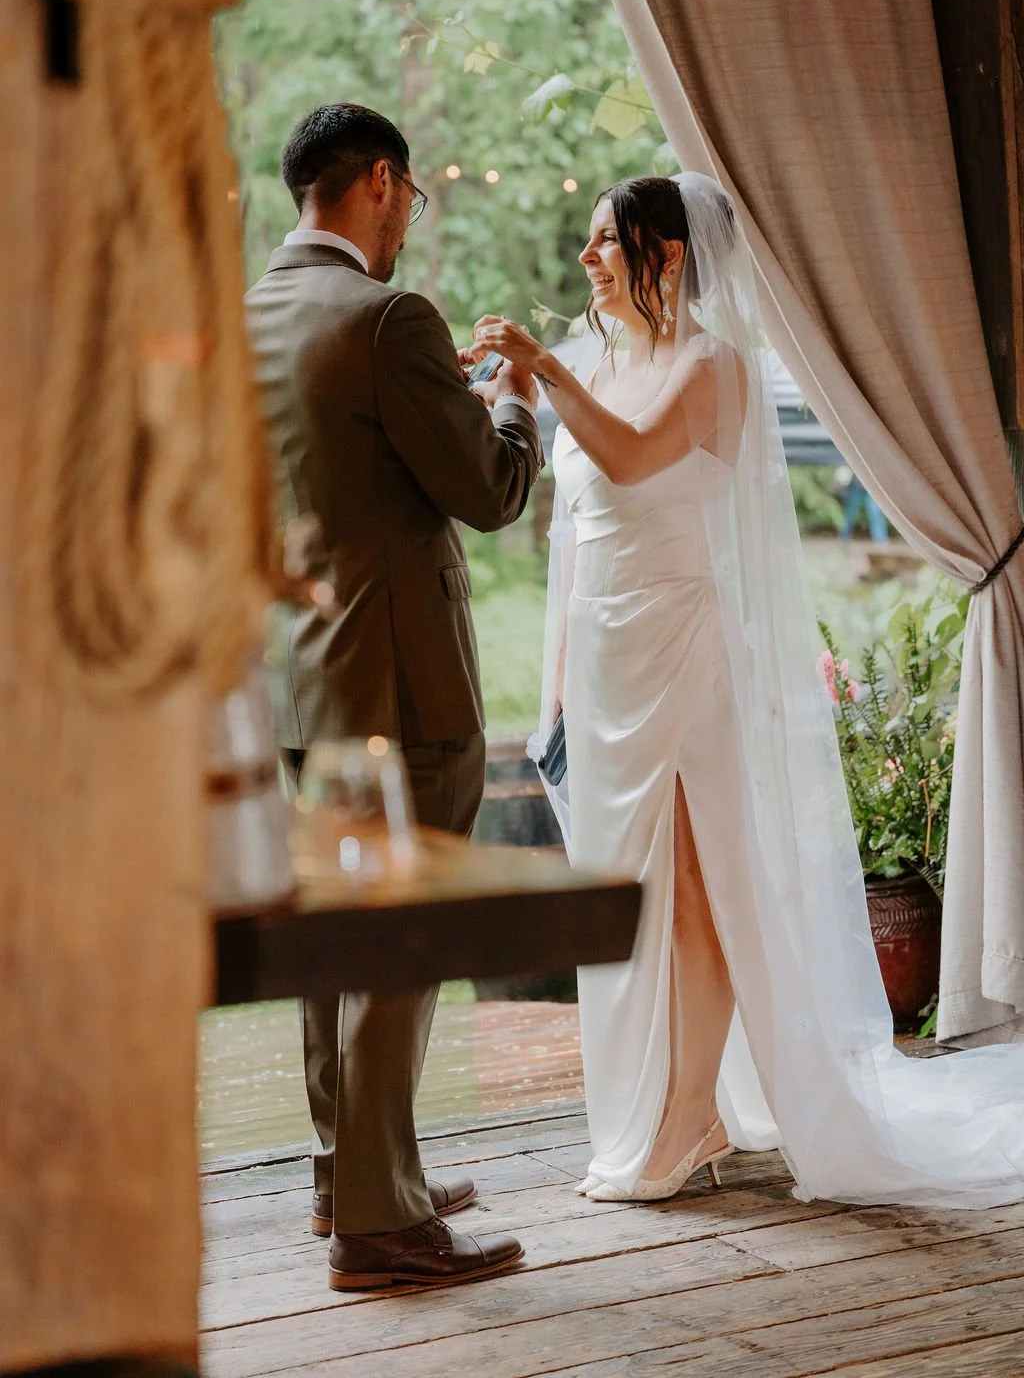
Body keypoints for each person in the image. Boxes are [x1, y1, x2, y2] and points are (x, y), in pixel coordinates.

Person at [465, 172, 1024, 1211]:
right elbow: (574, 533)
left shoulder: (713, 367)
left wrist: (545, 367)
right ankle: (674, 1105)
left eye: (605, 240)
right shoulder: (603, 360)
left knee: (694, 890)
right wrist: (555, 690)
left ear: (668, 254)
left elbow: (631, 459)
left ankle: (690, 1117)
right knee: (627, 894)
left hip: (679, 651)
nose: (586, 259)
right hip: (605, 666)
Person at [246, 103, 543, 1290]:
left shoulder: (249, 313)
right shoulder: (388, 316)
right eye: (410, 196)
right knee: (401, 939)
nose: (408, 218)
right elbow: (489, 490)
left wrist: (439, 393)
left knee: (334, 938)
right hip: (399, 689)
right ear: (379, 181)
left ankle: (352, 1173)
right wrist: (514, 397)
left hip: (297, 683)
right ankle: (379, 1225)